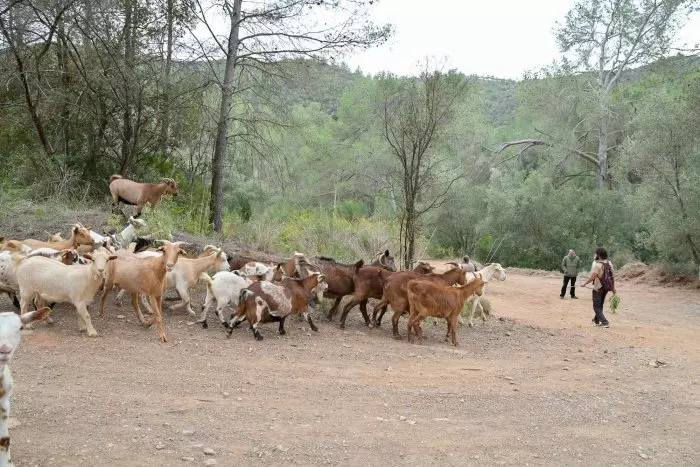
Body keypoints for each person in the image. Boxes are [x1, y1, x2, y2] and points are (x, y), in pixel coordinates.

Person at [580, 247, 616, 328]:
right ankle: (596, 319)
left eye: (596, 253)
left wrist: (584, 284)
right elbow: (612, 276)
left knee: (596, 306)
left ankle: (604, 322)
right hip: (606, 287)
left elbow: (593, 277)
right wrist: (613, 288)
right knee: (600, 304)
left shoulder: (597, 265)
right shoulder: (609, 263)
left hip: (598, 287)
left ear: (599, 255)